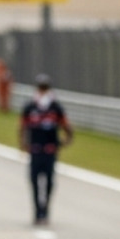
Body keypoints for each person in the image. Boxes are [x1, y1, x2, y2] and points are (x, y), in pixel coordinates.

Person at [20, 74, 73, 225]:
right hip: (35, 150)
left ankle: (45, 209)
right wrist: (23, 143)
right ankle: (37, 212)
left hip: (50, 150)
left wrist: (66, 140)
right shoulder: (30, 106)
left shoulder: (55, 106)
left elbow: (66, 125)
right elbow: (22, 126)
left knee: (49, 182)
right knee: (34, 181)